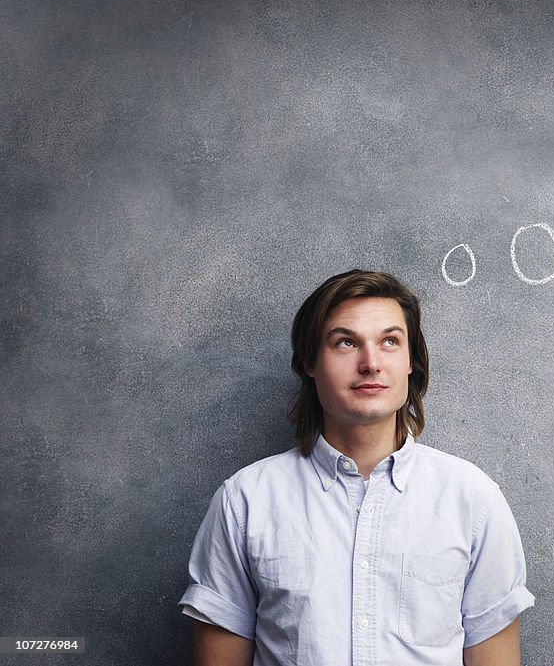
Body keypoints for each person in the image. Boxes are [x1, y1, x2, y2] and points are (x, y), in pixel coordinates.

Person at [178, 270, 534, 666]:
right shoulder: (244, 502)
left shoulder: (473, 500)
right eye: (346, 342)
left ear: (411, 361)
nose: (371, 363)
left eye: (390, 341)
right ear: (309, 361)